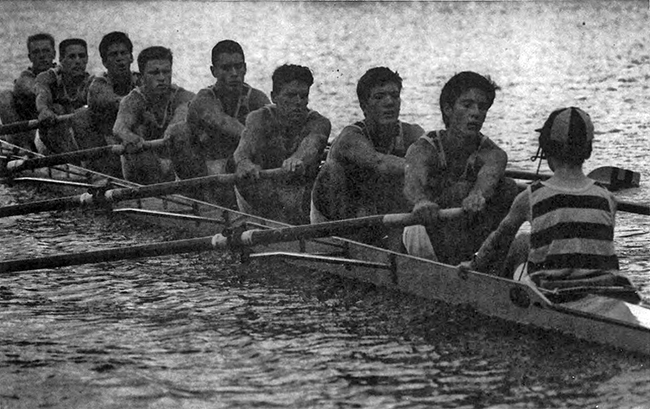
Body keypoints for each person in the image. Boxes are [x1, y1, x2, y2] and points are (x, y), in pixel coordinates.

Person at [460, 107, 638, 303]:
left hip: (550, 295)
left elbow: (498, 241)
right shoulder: (607, 198)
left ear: (546, 149)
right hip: (609, 292)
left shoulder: (530, 196)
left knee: (520, 241)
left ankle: (496, 297)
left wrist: (474, 264)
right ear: (587, 151)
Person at [402, 71, 518, 268]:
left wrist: (477, 196)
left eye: (482, 107)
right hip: (423, 233)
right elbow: (412, 183)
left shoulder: (494, 154)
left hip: (463, 234)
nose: (476, 113)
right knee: (460, 190)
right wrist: (421, 201)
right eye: (467, 105)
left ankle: (481, 264)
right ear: (448, 109)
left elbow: (487, 181)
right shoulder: (424, 148)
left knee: (508, 187)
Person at [310, 67, 424, 246]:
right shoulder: (350, 137)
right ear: (364, 106)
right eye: (379, 97)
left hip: (376, 218)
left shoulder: (413, 133)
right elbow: (379, 162)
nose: (389, 102)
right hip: (336, 221)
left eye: (394, 96)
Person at [169, 40, 270, 206]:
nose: (234, 73)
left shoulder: (257, 98)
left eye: (239, 67)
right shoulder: (203, 99)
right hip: (204, 173)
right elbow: (224, 123)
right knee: (179, 132)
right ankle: (196, 201)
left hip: (235, 169)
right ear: (213, 71)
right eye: (226, 68)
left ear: (245, 67)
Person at [233, 64, 330, 224]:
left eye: (303, 96)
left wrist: (298, 159)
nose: (298, 102)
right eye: (291, 96)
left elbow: (312, 144)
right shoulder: (258, 119)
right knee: (240, 171)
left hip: (302, 197)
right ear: (274, 97)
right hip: (266, 195)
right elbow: (242, 150)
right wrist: (243, 163)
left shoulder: (319, 122)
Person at [113, 46, 194, 185]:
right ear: (142, 76)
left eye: (166, 72)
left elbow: (180, 118)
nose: (162, 78)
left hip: (172, 165)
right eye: (154, 73)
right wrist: (131, 138)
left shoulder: (182, 96)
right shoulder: (133, 100)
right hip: (144, 166)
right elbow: (119, 128)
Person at [72, 31, 140, 177]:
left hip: (131, 144)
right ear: (104, 62)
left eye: (123, 53)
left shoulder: (141, 80)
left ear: (131, 57)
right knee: (80, 115)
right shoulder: (98, 85)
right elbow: (115, 101)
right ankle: (100, 174)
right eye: (113, 55)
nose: (120, 59)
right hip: (106, 151)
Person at [34, 38, 91, 155]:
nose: (78, 61)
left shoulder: (92, 82)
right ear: (61, 59)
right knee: (57, 109)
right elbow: (42, 94)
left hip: (75, 138)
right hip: (47, 141)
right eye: (72, 57)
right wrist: (44, 110)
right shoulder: (49, 79)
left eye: (81, 56)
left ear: (87, 59)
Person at [0, 33, 56, 150]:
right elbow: (34, 89)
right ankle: (24, 150)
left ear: (54, 54)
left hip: (56, 131)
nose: (42, 56)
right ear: (30, 57)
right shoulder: (25, 78)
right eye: (36, 52)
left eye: (46, 51)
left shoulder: (64, 73)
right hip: (29, 136)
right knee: (4, 96)